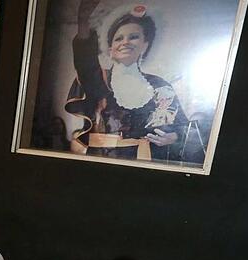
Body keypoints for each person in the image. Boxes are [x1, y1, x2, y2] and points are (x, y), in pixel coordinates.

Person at [66, 1, 191, 163]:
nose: (125, 42)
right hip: (102, 161)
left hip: (146, 162)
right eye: (118, 39)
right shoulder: (99, 79)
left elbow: (183, 127)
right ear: (110, 49)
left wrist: (174, 137)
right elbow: (84, 60)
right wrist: (83, 21)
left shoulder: (160, 86)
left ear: (145, 45)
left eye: (134, 37)